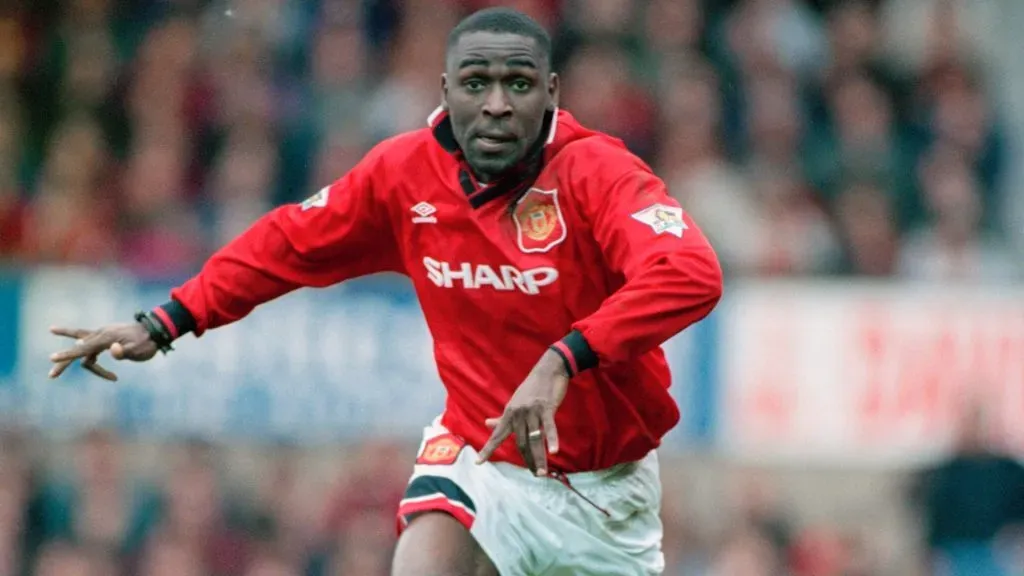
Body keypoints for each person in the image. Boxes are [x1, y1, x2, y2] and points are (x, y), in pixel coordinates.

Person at [47, 8, 722, 575]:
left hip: (607, 492)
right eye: (475, 82)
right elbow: (287, 243)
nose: (494, 103)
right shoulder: (403, 175)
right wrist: (166, 320)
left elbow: (690, 273)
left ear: (549, 91)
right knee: (425, 553)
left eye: (517, 83)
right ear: (445, 88)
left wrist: (564, 358)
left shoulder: (596, 172)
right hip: (478, 454)